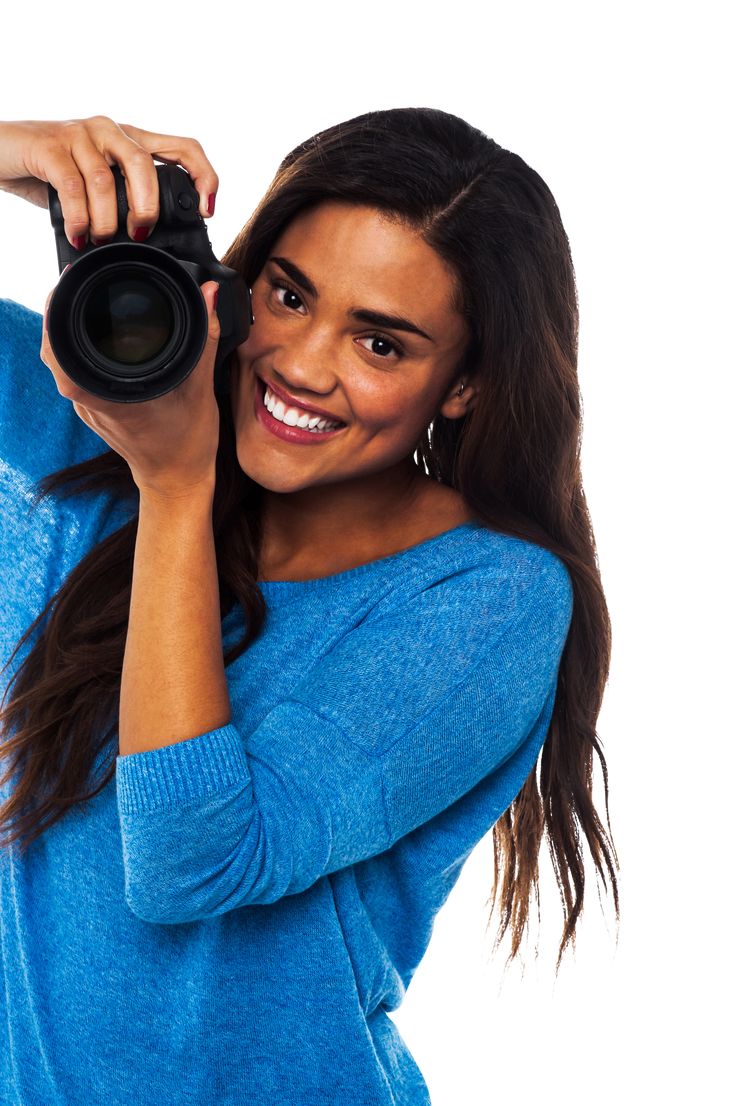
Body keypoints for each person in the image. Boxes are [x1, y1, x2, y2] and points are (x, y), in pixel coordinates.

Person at [0, 111, 618, 1104]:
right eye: (289, 295)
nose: (301, 363)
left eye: (380, 342)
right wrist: (12, 149)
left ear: (461, 385)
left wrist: (174, 487)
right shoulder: (84, 423)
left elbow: (187, 860)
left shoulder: (486, 595)